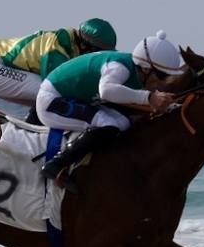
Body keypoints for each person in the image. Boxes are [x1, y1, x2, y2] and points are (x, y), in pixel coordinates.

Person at [36, 30, 187, 180]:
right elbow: (107, 91)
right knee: (108, 123)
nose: (162, 82)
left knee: (122, 122)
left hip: (77, 99)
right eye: (162, 75)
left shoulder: (135, 71)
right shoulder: (119, 67)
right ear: (146, 68)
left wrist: (169, 107)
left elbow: (130, 100)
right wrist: (149, 97)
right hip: (52, 101)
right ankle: (55, 165)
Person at [0, 19, 119, 116]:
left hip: (4, 68)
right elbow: (57, 85)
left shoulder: (72, 45)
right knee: (53, 94)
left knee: (51, 99)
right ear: (85, 45)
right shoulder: (57, 47)